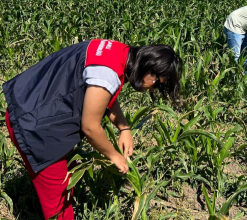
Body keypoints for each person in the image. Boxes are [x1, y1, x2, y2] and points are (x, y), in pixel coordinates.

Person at [2, 39, 182, 220]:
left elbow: (104, 95)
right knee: (59, 208)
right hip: (35, 127)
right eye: (156, 81)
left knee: (69, 175)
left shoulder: (117, 51)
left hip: (31, 103)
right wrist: (114, 155)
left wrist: (124, 127)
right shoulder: (107, 74)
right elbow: (90, 127)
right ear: (149, 66)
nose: (153, 87)